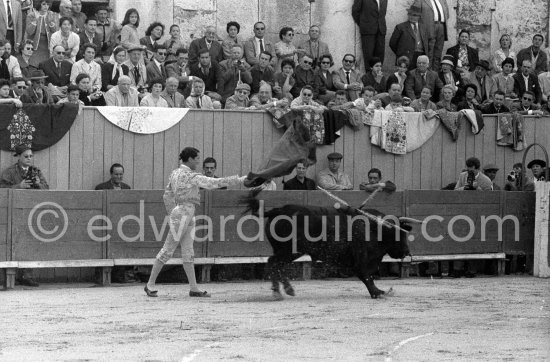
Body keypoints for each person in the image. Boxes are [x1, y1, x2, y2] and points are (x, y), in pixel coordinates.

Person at [144, 147, 246, 298]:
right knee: (168, 250)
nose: (198, 162)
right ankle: (150, 284)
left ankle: (194, 288)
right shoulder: (191, 176)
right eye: (197, 159)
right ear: (190, 159)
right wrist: (239, 180)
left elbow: (167, 195)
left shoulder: (174, 173)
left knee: (188, 251)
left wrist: (173, 211)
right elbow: (213, 183)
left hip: (184, 215)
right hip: (184, 215)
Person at [0, 144, 49, 287]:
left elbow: (47, 189)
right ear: (19, 157)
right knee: (11, 242)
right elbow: (2, 190)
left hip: (32, 212)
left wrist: (39, 185)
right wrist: (18, 186)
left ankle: (27, 276)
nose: (29, 159)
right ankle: (10, 275)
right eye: (26, 156)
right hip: (12, 213)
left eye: (31, 156)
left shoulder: (36, 171)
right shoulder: (9, 172)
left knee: (30, 242)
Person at [389, 4, 429, 71]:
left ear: (419, 16)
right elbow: (392, 43)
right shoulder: (400, 27)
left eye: (414, 15)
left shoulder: (423, 28)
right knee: (405, 77)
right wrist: (401, 53)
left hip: (420, 56)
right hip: (406, 57)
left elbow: (427, 43)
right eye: (409, 14)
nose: (411, 16)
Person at [412, 0, 450, 71]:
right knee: (429, 52)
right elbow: (414, 14)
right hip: (428, 27)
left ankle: (435, 73)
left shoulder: (442, 1)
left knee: (438, 52)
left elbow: (447, 14)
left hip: (441, 26)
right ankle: (427, 74)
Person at [352, 0, 388, 71]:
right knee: (369, 57)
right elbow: (355, 12)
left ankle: (378, 79)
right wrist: (364, 24)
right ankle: (369, 79)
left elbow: (382, 13)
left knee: (380, 57)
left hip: (381, 31)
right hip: (367, 32)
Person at [26, 0, 59, 67]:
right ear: (39, 4)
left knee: (45, 66)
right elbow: (29, 32)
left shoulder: (52, 14)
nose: (46, 6)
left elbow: (55, 31)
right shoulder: (31, 15)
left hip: (47, 46)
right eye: (44, 4)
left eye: (47, 4)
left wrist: (51, 23)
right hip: (35, 45)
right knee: (34, 65)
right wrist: (36, 19)